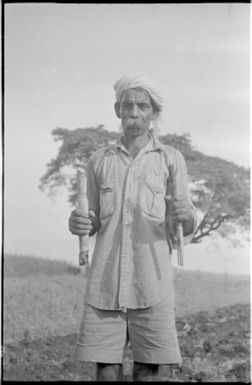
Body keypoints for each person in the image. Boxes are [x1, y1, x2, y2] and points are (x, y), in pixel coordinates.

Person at [68, 75, 197, 381]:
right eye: (128, 105)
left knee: (148, 370)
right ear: (117, 110)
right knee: (106, 370)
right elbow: (95, 219)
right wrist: (79, 222)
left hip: (152, 283)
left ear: (154, 113)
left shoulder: (171, 160)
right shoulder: (98, 161)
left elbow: (183, 226)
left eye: (143, 106)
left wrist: (185, 216)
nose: (134, 112)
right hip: (105, 284)